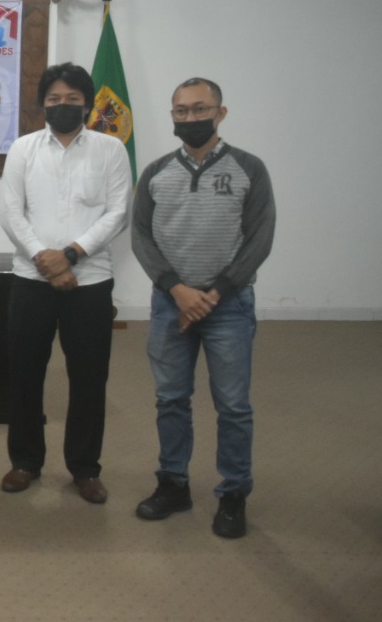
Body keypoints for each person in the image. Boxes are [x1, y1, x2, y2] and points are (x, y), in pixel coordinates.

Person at [132, 77, 275, 539]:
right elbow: (141, 237)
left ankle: (233, 494)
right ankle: (173, 483)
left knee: (232, 405)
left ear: (221, 112)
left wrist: (214, 293)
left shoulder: (249, 168)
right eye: (181, 111)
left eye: (199, 109)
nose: (190, 118)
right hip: (169, 304)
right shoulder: (155, 171)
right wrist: (177, 290)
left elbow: (260, 238)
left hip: (228, 307)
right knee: (171, 399)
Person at [0, 63, 131, 504]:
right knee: (24, 376)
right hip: (30, 279)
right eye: (54, 99)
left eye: (72, 99)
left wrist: (70, 255)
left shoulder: (111, 150)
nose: (63, 106)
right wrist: (46, 259)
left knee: (89, 378)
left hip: (90, 281)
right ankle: (25, 462)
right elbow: (12, 212)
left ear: (88, 103)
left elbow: (117, 213)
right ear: (42, 103)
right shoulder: (22, 149)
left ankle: (85, 468)